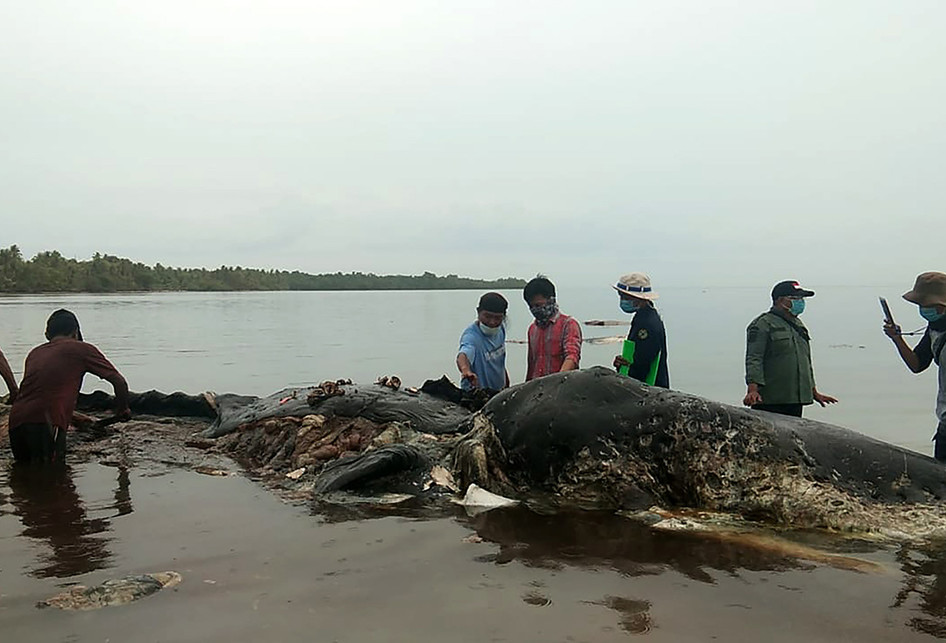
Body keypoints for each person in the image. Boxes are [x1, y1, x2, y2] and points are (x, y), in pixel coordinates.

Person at [8, 309, 130, 464]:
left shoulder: (35, 353)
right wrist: (122, 409)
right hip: (46, 422)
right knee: (55, 481)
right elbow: (119, 382)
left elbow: (41, 394)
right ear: (75, 332)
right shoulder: (82, 349)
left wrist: (75, 418)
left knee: (25, 477)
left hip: (16, 421)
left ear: (47, 335)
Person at [743, 280, 837, 417]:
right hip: (771, 399)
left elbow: (805, 361)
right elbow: (754, 358)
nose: (800, 302)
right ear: (780, 300)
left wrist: (813, 392)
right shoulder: (762, 324)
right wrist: (752, 390)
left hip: (795, 398)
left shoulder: (798, 324)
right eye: (795, 298)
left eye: (802, 299)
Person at [883, 272, 946, 460]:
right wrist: (897, 339)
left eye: (925, 306)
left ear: (941, 306)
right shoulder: (935, 327)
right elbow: (917, 364)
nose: (922, 310)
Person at [611, 273, 670, 388]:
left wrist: (627, 371)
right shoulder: (643, 316)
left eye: (625, 296)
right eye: (620, 295)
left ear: (638, 298)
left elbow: (641, 366)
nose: (622, 300)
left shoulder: (647, 324)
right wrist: (622, 364)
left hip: (649, 390)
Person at [524, 276, 581, 381]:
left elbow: (572, 357)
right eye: (531, 306)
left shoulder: (568, 325)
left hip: (563, 387)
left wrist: (556, 381)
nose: (535, 310)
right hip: (537, 390)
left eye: (538, 305)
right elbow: (531, 363)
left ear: (551, 300)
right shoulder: (532, 329)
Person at [457, 292, 510, 391]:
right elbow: (463, 355)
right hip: (477, 393)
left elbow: (499, 360)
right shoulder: (471, 336)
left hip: (499, 391)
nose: (492, 322)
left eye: (497, 318)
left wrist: (506, 382)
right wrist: (466, 371)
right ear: (478, 312)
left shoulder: (501, 329)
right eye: (487, 316)